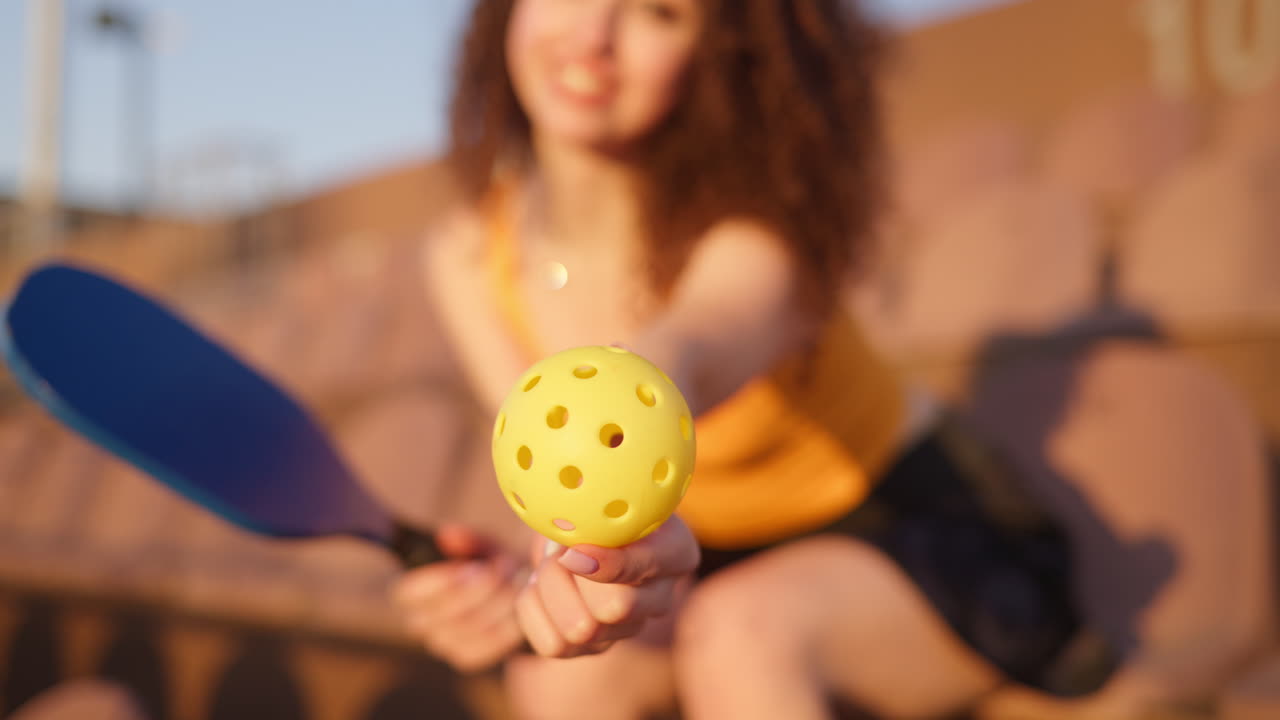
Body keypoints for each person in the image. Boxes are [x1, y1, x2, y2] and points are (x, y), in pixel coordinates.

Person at [392, 1, 1100, 718]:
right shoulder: (467, 254)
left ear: (723, 52)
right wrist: (537, 576)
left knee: (740, 633)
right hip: (706, 550)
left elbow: (697, 342)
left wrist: (634, 401)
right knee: (556, 672)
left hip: (907, 525)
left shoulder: (762, 223)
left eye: (659, 12)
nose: (592, 35)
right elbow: (548, 460)